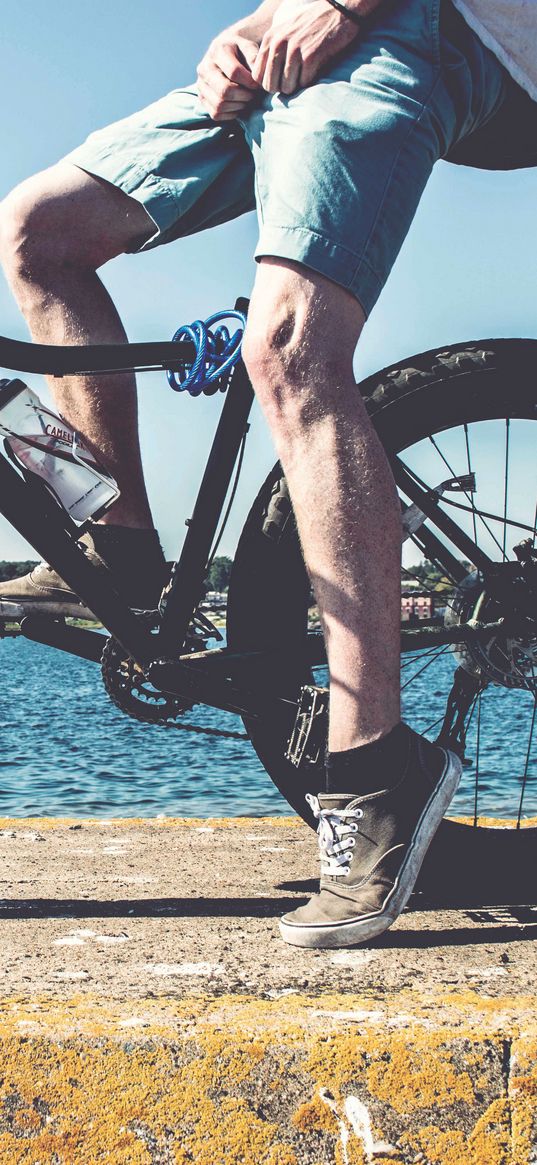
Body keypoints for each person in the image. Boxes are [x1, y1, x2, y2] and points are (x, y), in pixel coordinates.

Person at [0, 0, 534, 948]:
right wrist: (253, 25)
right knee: (39, 234)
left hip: (441, 28)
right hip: (316, 38)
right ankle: (118, 550)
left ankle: (375, 771)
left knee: (288, 347)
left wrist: (338, 6)